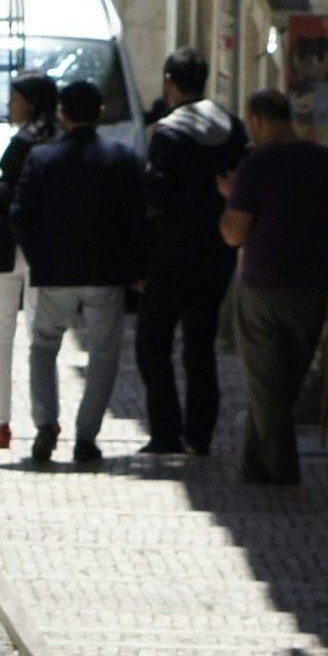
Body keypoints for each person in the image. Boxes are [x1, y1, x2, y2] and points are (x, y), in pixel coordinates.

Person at [10, 77, 151, 466]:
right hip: (106, 275)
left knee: (43, 347)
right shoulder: (123, 159)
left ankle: (45, 423)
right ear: (101, 113)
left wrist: (39, 257)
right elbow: (137, 221)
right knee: (104, 356)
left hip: (55, 272)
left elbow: (20, 216)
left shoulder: (42, 158)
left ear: (62, 113)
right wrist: (137, 269)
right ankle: (86, 437)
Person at [220, 89, 328, 486]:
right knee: (283, 385)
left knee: (266, 386)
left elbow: (233, 234)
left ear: (258, 119)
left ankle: (281, 471)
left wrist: (229, 196)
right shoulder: (326, 161)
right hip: (312, 285)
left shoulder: (257, 165)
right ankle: (252, 466)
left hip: (265, 285)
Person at [134, 50, 247, 460]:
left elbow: (155, 198)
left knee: (154, 344)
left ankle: (165, 432)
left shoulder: (168, 132)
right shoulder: (231, 127)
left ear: (169, 81)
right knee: (201, 345)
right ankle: (200, 434)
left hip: (172, 256)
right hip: (218, 254)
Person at [0, 70, 59, 451]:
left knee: (2, 330)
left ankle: (3, 422)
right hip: (46, 248)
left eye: (16, 99)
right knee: (41, 335)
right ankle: (46, 418)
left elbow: (12, 193)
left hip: (10, 246)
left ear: (31, 102)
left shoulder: (23, 141)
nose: (10, 106)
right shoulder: (59, 137)